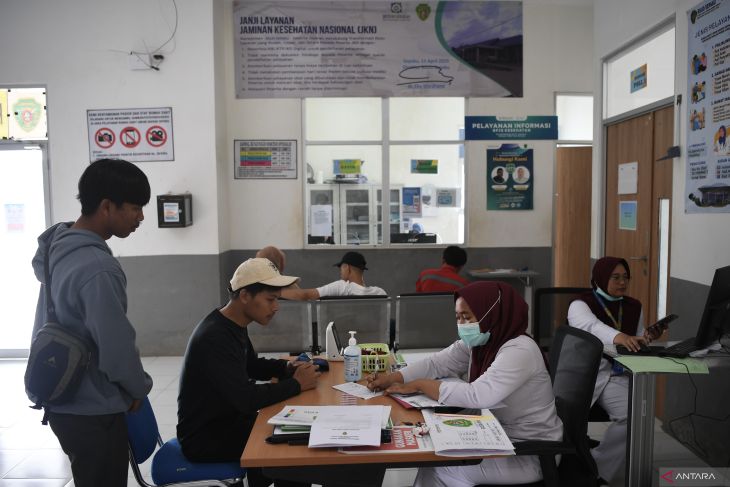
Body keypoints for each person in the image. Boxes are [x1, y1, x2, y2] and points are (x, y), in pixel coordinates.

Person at [29, 159, 153, 487]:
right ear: (106, 206)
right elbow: (115, 343)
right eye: (135, 207)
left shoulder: (58, 245)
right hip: (92, 408)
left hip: (61, 396)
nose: (141, 216)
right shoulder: (98, 266)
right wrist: (137, 387)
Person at [367, 281, 562, 487]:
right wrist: (393, 378)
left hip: (530, 452)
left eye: (467, 317)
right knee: (431, 454)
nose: (462, 325)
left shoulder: (519, 350)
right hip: (496, 435)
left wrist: (420, 385)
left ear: (491, 313)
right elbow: (436, 363)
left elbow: (478, 395)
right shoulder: (484, 342)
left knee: (445, 468)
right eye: (458, 317)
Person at [177, 257, 319, 487]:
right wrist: (296, 385)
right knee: (294, 447)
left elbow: (251, 365)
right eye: (270, 299)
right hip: (206, 438)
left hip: (229, 422)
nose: (276, 307)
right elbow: (245, 399)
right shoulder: (214, 337)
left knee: (290, 436)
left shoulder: (232, 324)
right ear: (245, 296)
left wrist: (286, 368)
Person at [567, 256, 651, 485]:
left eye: (625, 277)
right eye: (615, 277)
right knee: (559, 423)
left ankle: (598, 467)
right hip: (584, 375)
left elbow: (637, 336)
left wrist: (644, 339)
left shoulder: (633, 306)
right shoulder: (580, 304)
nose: (622, 282)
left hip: (615, 374)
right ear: (601, 278)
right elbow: (592, 327)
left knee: (634, 417)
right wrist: (622, 337)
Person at [281, 251, 386, 300]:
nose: (340, 271)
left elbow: (305, 295)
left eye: (340, 267)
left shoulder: (343, 286)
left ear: (347, 267)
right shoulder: (380, 292)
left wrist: (275, 292)